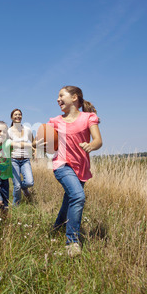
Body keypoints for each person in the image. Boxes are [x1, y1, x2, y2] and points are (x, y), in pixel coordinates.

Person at [48, 86, 102, 257]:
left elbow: (98, 141)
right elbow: (47, 143)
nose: (58, 99)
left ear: (74, 98)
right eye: (57, 97)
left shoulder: (88, 118)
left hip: (82, 167)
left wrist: (91, 146)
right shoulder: (55, 121)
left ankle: (57, 227)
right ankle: (71, 242)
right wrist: (39, 144)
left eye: (61, 95)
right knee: (78, 196)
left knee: (69, 199)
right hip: (62, 165)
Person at [8, 109, 35, 205]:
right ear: (12, 117)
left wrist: (35, 149)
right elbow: (6, 145)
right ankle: (15, 206)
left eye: (19, 114)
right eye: (15, 115)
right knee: (17, 186)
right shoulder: (8, 131)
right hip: (13, 160)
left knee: (29, 182)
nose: (18, 116)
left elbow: (33, 142)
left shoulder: (27, 129)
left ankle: (24, 187)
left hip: (25, 160)